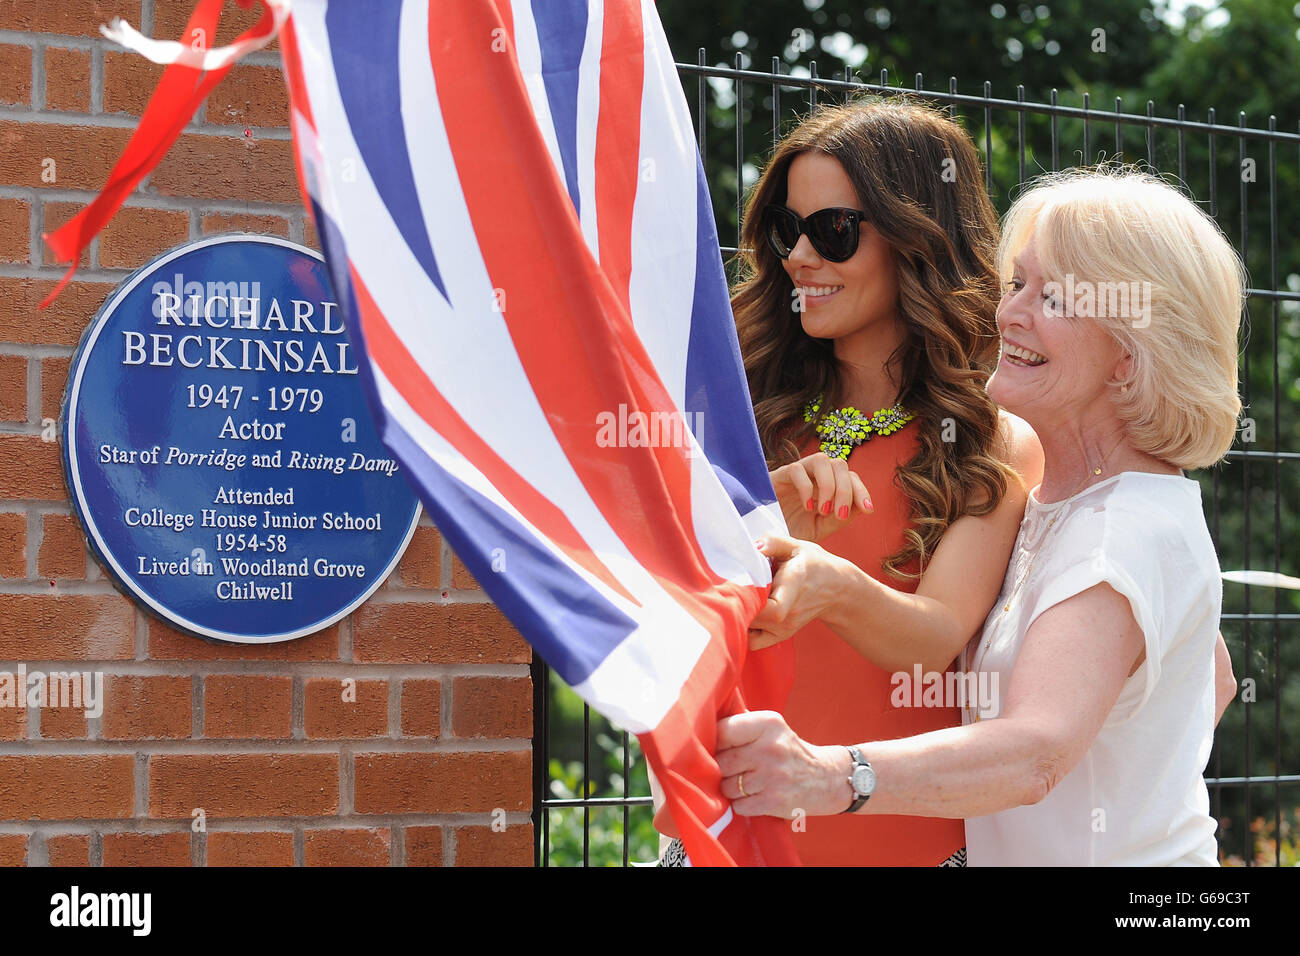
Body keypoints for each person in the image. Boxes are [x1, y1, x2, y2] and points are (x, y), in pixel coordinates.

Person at [714, 166, 1243, 866]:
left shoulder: (1122, 529)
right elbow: (1213, 674)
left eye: (1054, 297)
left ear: (1128, 357)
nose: (1010, 313)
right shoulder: (1066, 501)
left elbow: (1035, 753)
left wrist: (830, 776)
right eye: (1018, 283)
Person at [655, 98, 1044, 866]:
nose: (800, 256)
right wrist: (768, 517)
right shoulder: (742, 412)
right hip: (722, 839)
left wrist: (827, 582)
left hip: (900, 847)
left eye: (832, 231)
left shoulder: (990, 438)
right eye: (785, 231)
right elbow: (666, 606)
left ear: (916, 238)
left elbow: (931, 642)